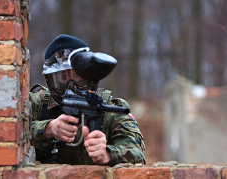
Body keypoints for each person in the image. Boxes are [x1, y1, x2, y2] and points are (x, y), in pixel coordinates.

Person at [30, 34, 146, 166]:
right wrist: (48, 129)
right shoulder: (35, 104)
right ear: (50, 80)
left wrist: (106, 154)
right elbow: (5, 136)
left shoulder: (109, 109)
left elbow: (137, 154)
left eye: (77, 75)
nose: (70, 85)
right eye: (62, 76)